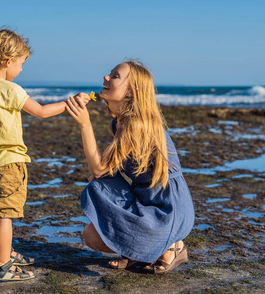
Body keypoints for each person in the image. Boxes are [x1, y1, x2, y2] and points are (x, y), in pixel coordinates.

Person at [0, 28, 89, 281]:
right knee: (6, 215)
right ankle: (3, 265)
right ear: (8, 61)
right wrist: (69, 103)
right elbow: (40, 111)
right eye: (21, 64)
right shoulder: (10, 89)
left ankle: (5, 251)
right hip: (9, 163)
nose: (21, 69)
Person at [66, 60, 194, 273]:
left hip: (168, 210)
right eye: (109, 73)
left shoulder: (137, 124)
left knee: (96, 184)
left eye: (115, 76)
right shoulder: (120, 123)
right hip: (148, 203)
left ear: (132, 92)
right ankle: (139, 253)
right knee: (92, 233)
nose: (106, 78)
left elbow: (98, 169)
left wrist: (85, 124)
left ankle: (172, 248)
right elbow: (102, 171)